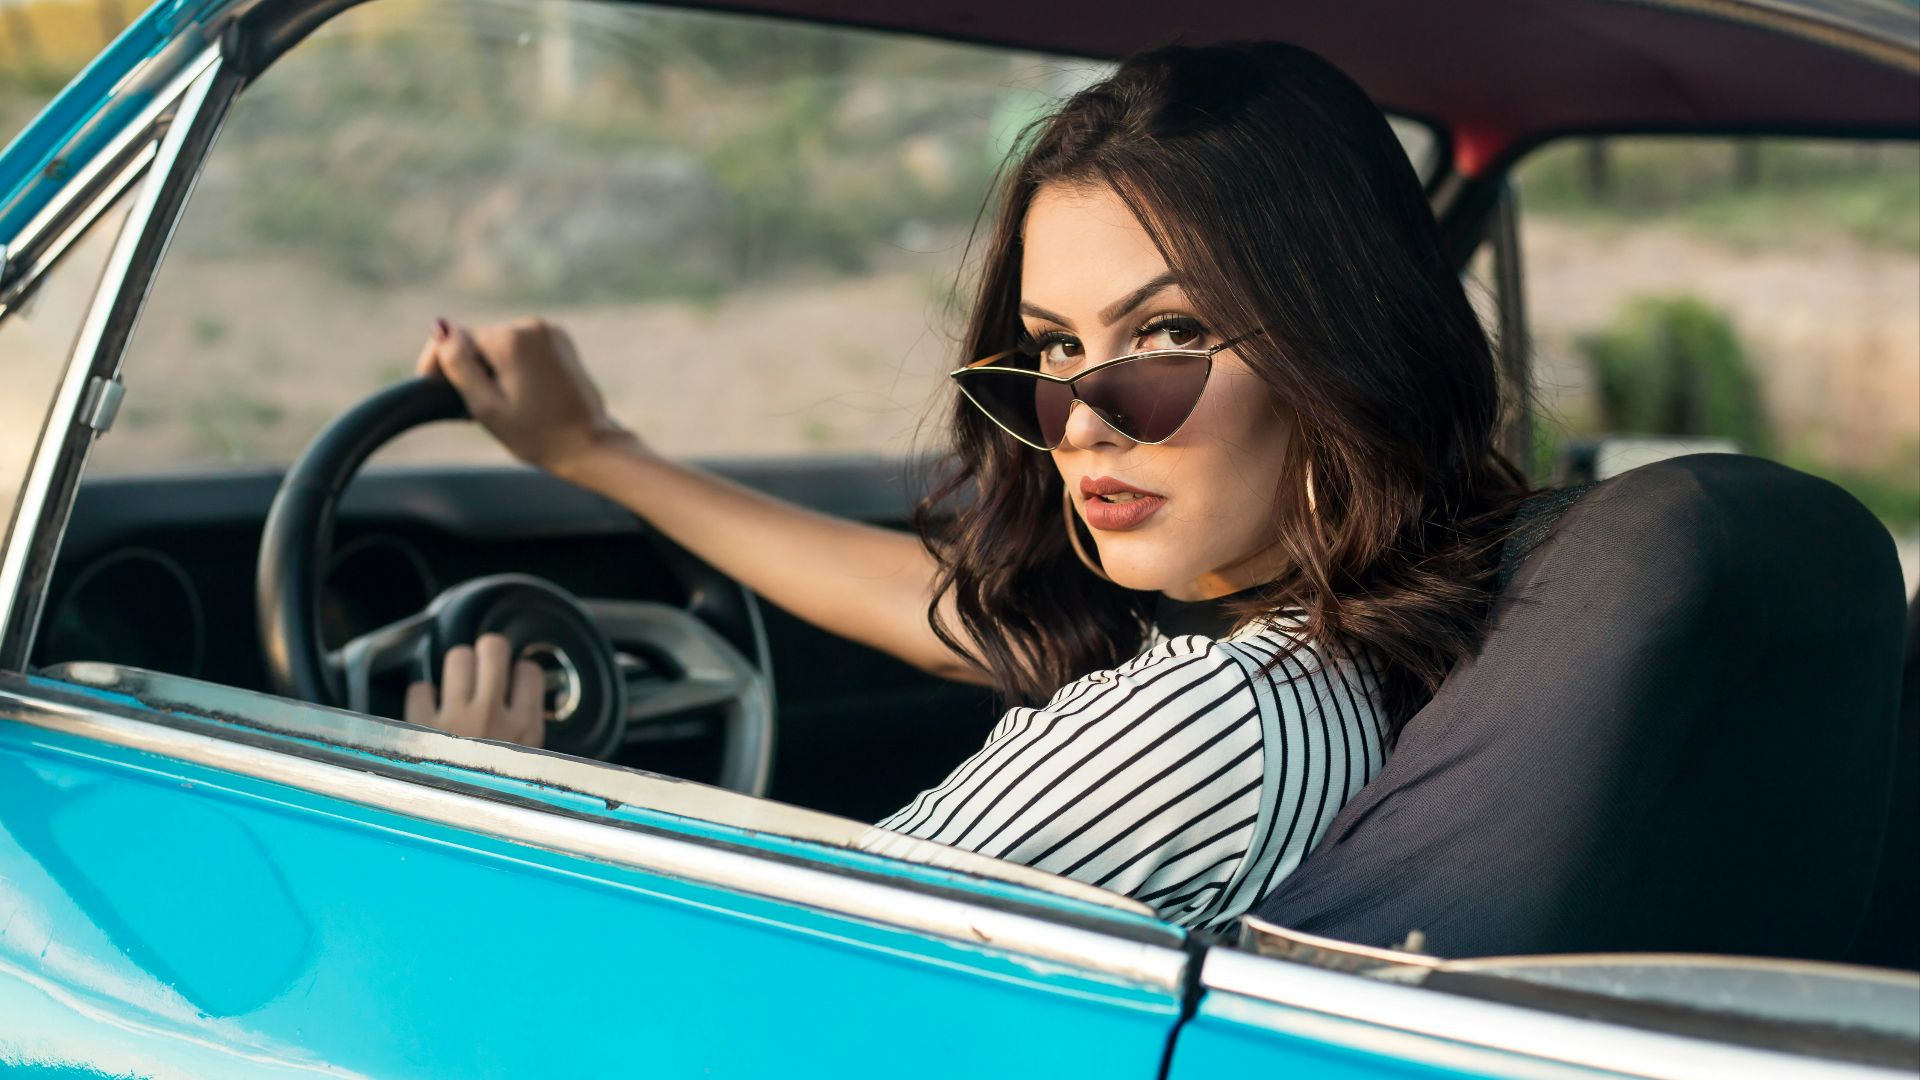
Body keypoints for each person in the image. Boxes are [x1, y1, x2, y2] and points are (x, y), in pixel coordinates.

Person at [405, 40, 1527, 931]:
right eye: (1053, 347)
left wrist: (484, 797)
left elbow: (750, 981)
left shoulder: (1207, 723)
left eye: (1169, 332)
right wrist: (595, 450)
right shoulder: (1377, 650)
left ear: (1346, 348)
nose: (1082, 423)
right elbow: (966, 613)